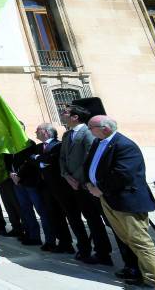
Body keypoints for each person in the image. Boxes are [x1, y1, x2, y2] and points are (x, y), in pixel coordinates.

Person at [84, 116, 155, 289]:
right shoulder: (99, 142)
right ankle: (140, 272)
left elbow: (124, 174)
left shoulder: (124, 145)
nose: (88, 130)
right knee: (126, 239)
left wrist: (100, 188)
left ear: (105, 128)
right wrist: (89, 183)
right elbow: (91, 166)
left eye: (91, 127)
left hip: (126, 200)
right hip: (108, 199)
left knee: (139, 241)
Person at [60, 105, 112, 265]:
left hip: (86, 184)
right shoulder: (67, 134)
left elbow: (90, 158)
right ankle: (87, 249)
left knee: (96, 220)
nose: (62, 114)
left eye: (66, 112)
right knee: (88, 218)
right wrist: (67, 176)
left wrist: (78, 179)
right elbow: (62, 158)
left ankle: (103, 252)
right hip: (72, 184)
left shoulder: (88, 133)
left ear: (75, 117)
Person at [34, 123, 76, 253]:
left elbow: (52, 160)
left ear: (46, 132)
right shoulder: (39, 147)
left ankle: (75, 244)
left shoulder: (58, 145)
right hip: (46, 188)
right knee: (54, 216)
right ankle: (63, 242)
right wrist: (41, 159)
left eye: (38, 131)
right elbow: (33, 160)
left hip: (61, 187)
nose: (36, 133)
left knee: (70, 216)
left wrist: (39, 159)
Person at [9, 135, 51, 247]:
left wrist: (19, 175)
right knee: (26, 210)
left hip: (30, 182)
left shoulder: (28, 143)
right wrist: (11, 173)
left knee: (41, 210)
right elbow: (9, 161)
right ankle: (34, 236)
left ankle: (49, 239)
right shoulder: (10, 144)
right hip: (17, 183)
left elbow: (29, 162)